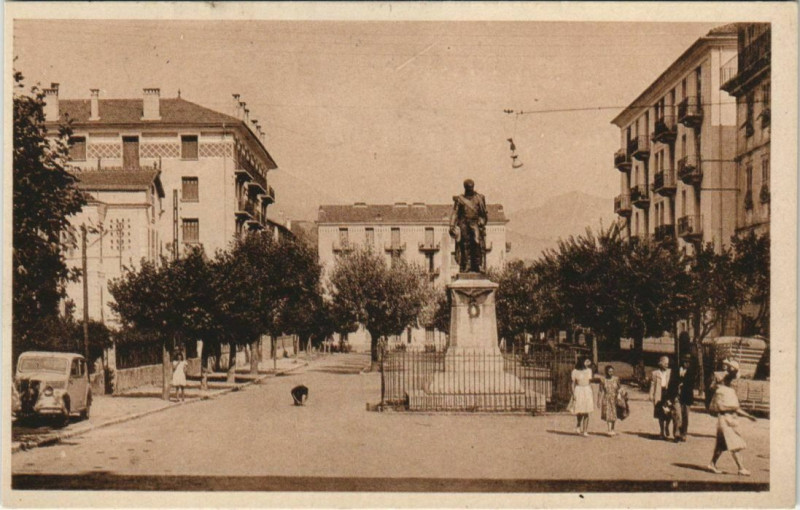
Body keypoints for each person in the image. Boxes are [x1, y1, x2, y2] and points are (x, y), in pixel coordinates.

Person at [707, 363, 757, 476]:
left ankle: (712, 464)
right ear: (726, 381)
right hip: (724, 420)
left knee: (721, 445)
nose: (734, 382)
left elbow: (737, 408)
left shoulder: (731, 391)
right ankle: (741, 468)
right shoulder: (720, 391)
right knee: (734, 444)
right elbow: (719, 407)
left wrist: (748, 416)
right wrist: (733, 408)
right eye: (732, 380)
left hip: (730, 420)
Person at [449, 179, 488, 273]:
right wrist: (451, 225)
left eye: (472, 187)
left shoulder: (479, 198)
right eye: (468, 188)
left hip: (475, 223)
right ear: (465, 188)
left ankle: (478, 265)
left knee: (477, 241)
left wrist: (482, 221)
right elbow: (455, 212)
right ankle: (467, 265)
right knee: (465, 244)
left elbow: (483, 213)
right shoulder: (460, 199)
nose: (470, 189)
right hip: (464, 223)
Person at [668, 353, 696, 442]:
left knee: (685, 416)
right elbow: (671, 383)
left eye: (688, 362)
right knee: (677, 415)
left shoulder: (692, 372)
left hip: (686, 397)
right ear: (682, 361)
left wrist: (683, 384)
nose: (686, 364)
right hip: (677, 396)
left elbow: (691, 384)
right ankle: (676, 434)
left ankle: (684, 433)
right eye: (685, 361)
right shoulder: (676, 370)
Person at [649, 355, 673, 440]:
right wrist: (651, 395)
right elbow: (652, 385)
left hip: (668, 394)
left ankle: (667, 426)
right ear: (661, 364)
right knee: (660, 414)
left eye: (668, 363)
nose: (667, 365)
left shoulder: (670, 372)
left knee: (669, 412)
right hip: (659, 394)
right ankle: (662, 431)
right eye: (665, 363)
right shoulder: (655, 373)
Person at [571, 356, 595, 437]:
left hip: (587, 390)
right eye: (586, 361)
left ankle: (585, 430)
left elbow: (590, 382)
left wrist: (592, 393)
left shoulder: (589, 371)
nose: (588, 363)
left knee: (587, 411)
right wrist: (573, 393)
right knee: (580, 410)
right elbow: (573, 383)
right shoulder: (575, 371)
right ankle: (578, 425)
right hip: (579, 390)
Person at [597, 365, 621, 436]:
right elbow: (600, 391)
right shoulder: (603, 380)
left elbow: (619, 388)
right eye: (609, 371)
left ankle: (613, 429)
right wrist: (598, 400)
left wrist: (620, 395)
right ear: (606, 372)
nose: (611, 373)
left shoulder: (616, 379)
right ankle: (609, 429)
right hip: (606, 398)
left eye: (612, 371)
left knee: (614, 414)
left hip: (615, 398)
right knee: (608, 414)